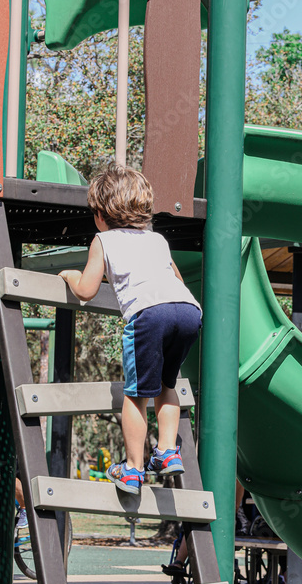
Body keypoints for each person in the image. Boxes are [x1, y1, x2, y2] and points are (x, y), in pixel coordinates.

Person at [59, 164, 201, 495]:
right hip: (187, 311)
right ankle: (167, 451)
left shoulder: (103, 240)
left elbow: (86, 290)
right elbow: (175, 280)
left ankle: (133, 469)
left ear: (100, 214)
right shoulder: (157, 240)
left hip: (149, 316)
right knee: (168, 383)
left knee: (136, 395)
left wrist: (69, 276)